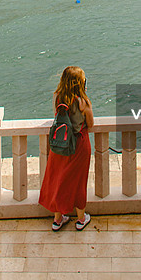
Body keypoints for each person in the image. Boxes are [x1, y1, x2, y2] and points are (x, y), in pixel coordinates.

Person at [39, 66, 94, 231]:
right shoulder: (83, 102)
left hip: (60, 145)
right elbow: (90, 124)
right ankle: (81, 219)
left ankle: (57, 219)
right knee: (78, 182)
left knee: (58, 180)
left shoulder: (58, 98)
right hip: (78, 145)